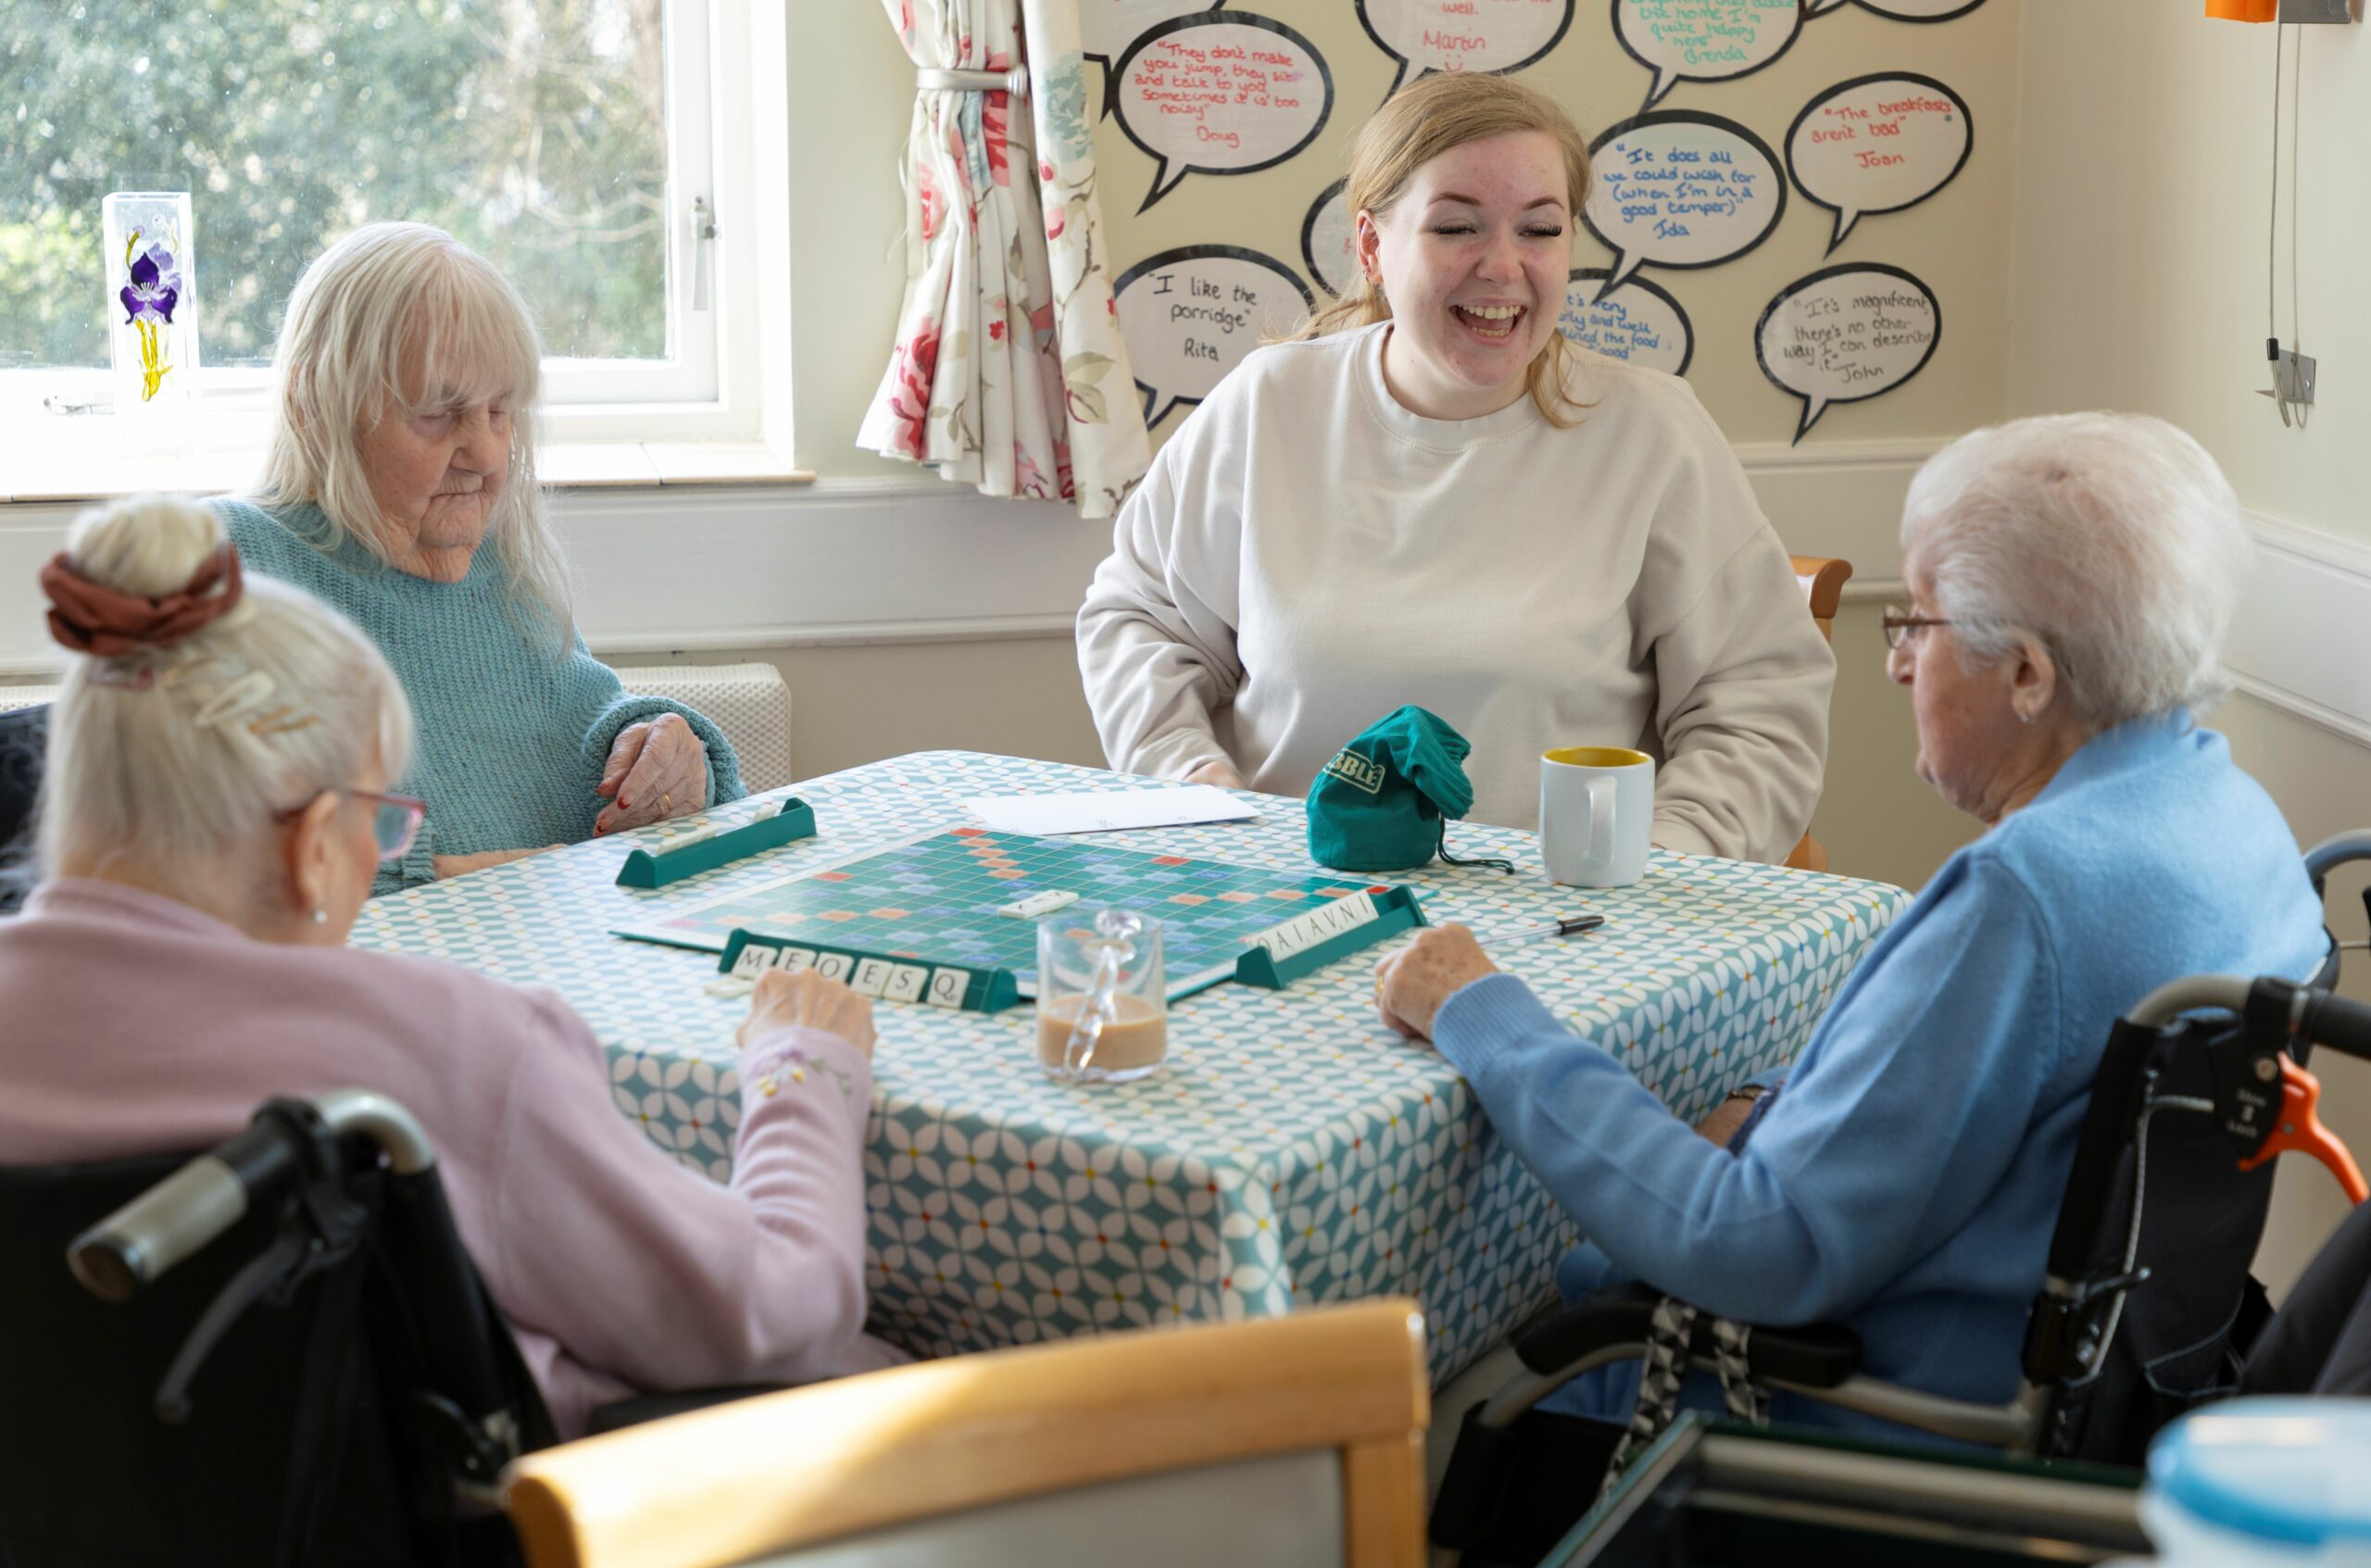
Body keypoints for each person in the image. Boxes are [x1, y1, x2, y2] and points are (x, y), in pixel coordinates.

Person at [1375, 412, 2328, 1439]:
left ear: (2026, 675)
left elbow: (1754, 1248)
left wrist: (1482, 1011)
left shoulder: (2027, 893)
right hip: (2098, 1398)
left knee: (1412, 1391)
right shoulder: (2231, 814)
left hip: (1863, 1421)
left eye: (1917, 622)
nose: (1897, 664)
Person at [0, 495, 896, 1437]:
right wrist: (801, 1069)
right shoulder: (454, 1051)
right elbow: (776, 1316)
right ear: (312, 847)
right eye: (384, 824)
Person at [1076, 73, 1833, 860]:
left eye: (1540, 230)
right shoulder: (1269, 407)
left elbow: (1758, 709)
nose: (1503, 266)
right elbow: (1140, 618)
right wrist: (1192, 779)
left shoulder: (1654, 434)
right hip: (1282, 900)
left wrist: (1655, 865)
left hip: (1565, 927)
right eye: (1456, 228)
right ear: (1371, 246)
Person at [212, 221, 740, 893]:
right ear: (313, 402)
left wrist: (666, 756)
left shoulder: (494, 564)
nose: (488, 455)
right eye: (439, 412)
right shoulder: (230, 564)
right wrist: (445, 880)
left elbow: (579, 727)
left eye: (500, 411)